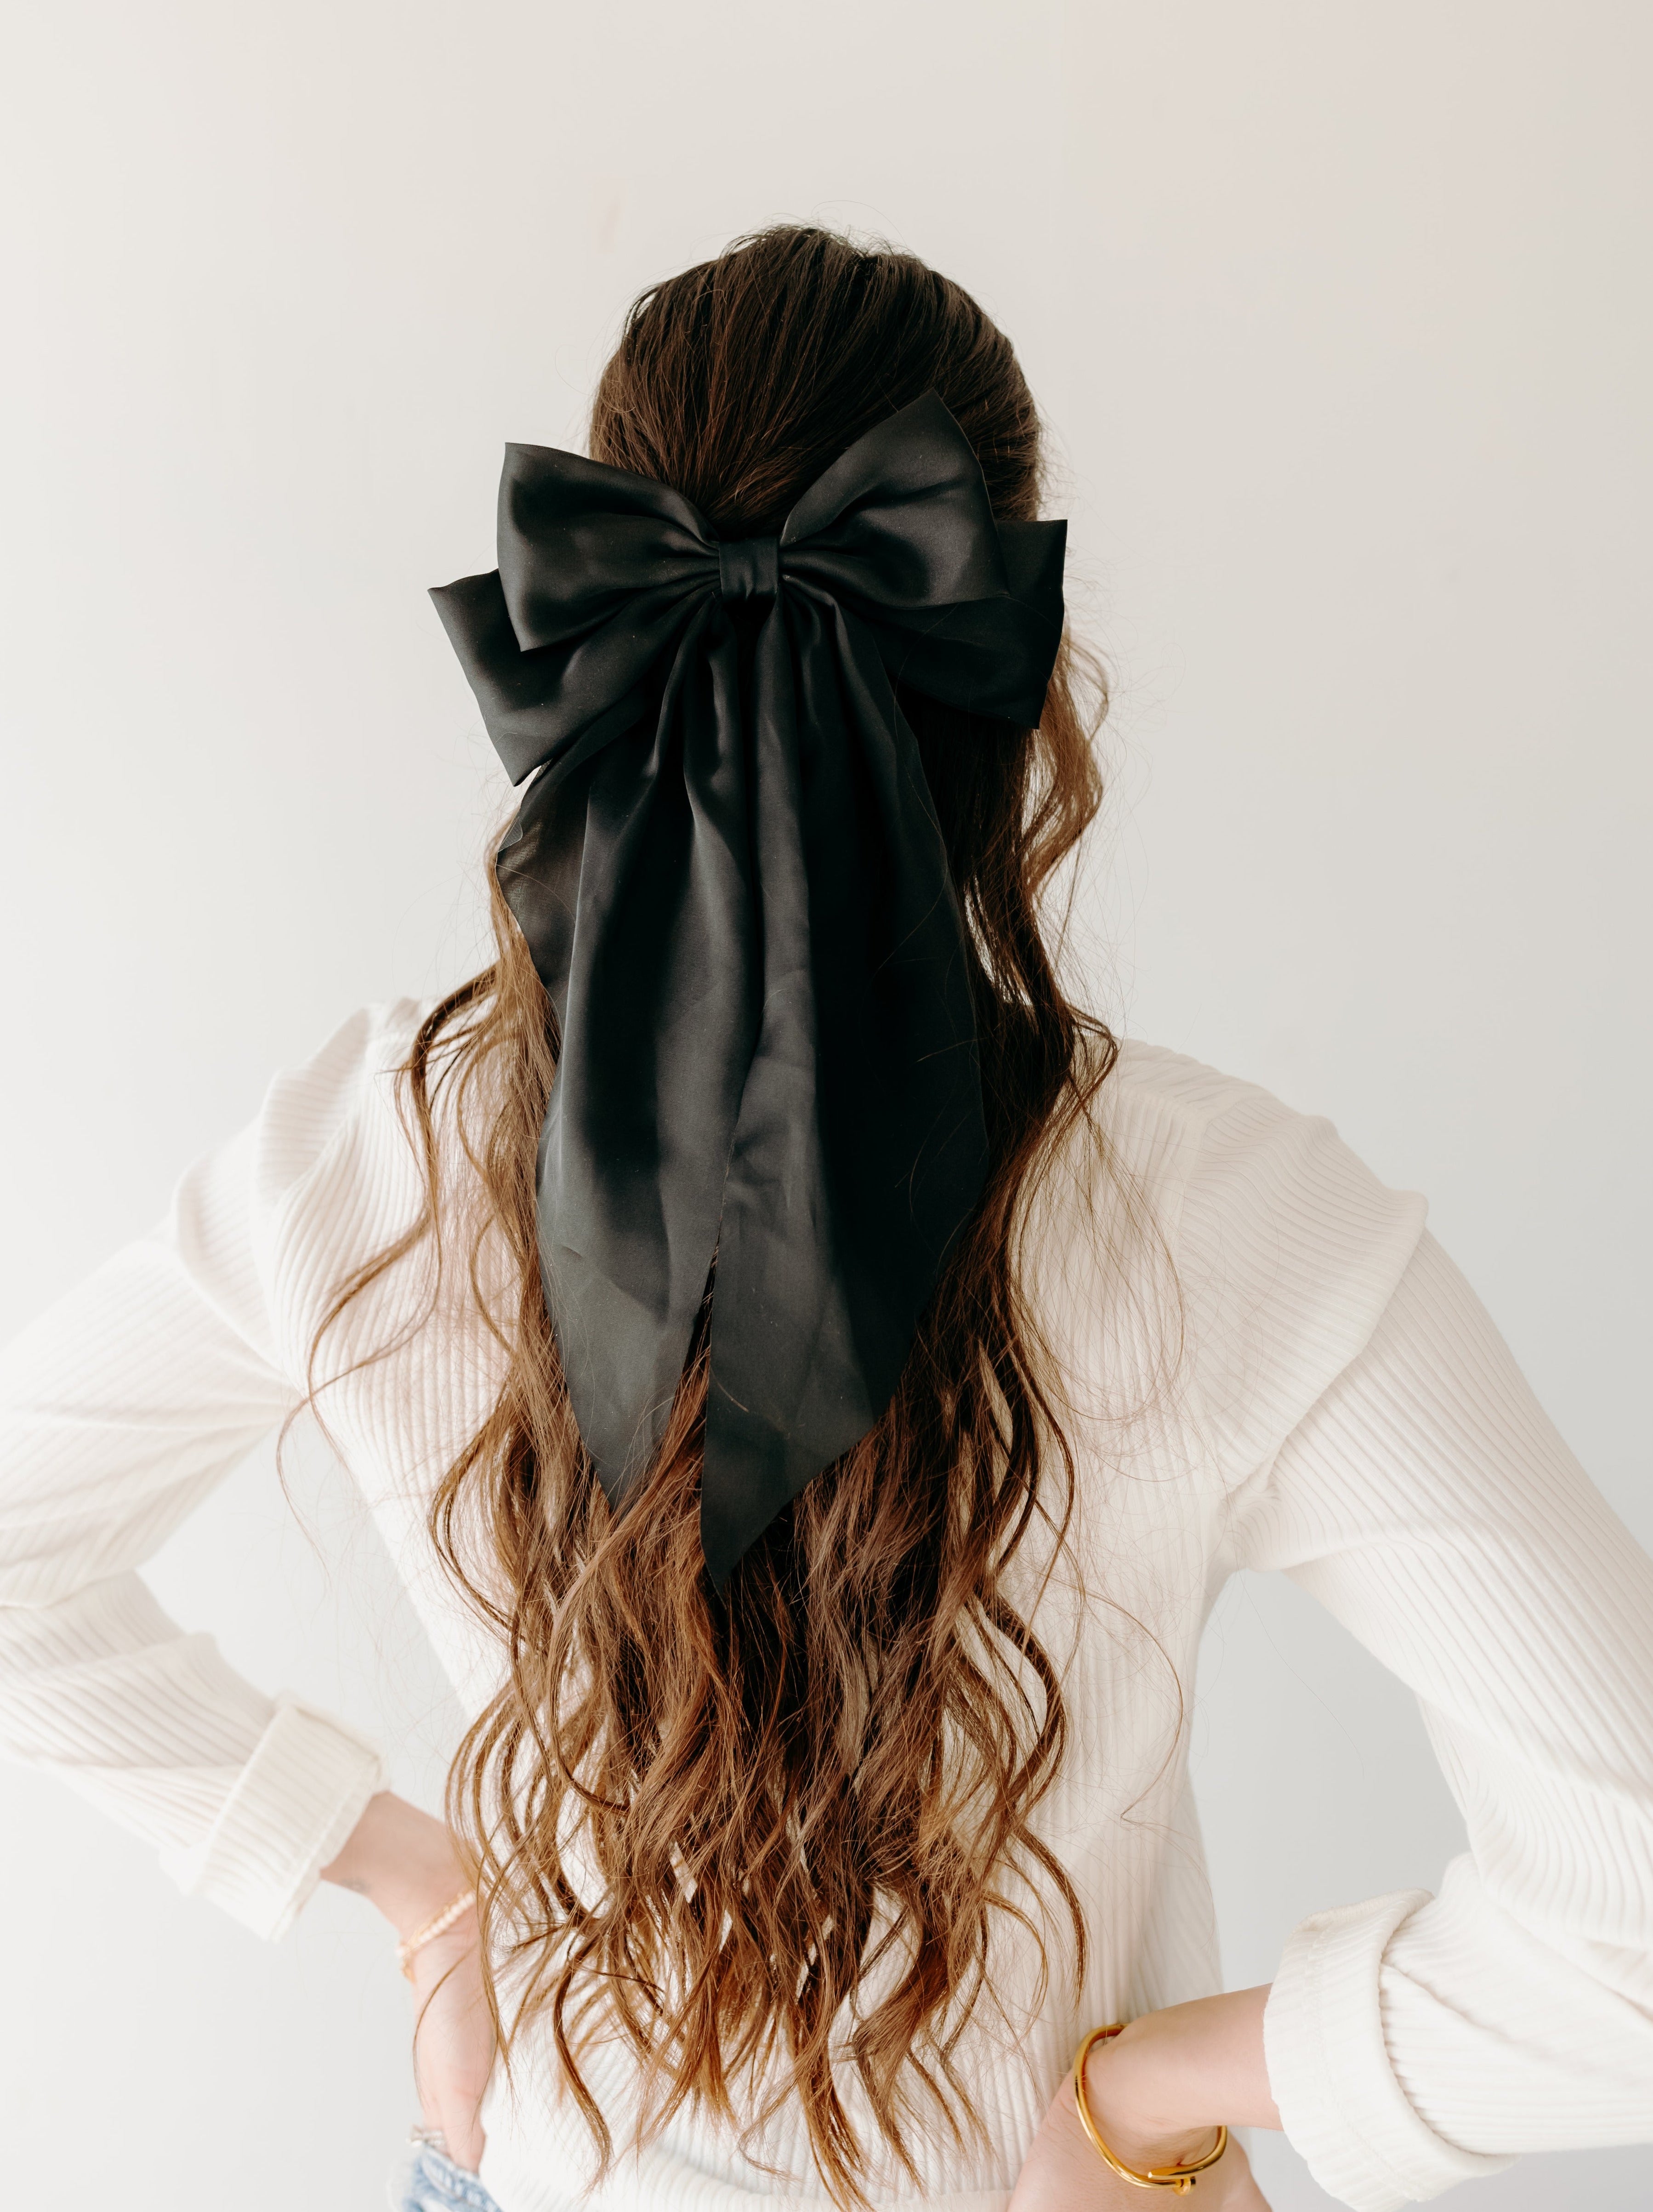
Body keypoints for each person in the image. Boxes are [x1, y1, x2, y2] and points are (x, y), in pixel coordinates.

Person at [2, 226, 1650, 2212]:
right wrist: (1151, 2091)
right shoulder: (1233, 1217)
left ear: (582, 663)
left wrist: (409, 1886)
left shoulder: (373, 1158)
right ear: (1011, 684)